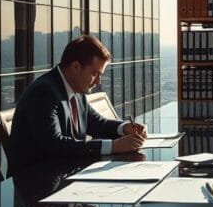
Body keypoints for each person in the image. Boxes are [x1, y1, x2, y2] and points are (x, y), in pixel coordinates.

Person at [11, 35, 146, 163]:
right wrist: (114, 146)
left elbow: (97, 124)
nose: (98, 82)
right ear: (76, 67)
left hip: (66, 170)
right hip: (37, 179)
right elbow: (54, 144)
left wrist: (124, 128)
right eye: (95, 74)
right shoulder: (43, 92)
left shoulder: (76, 88)